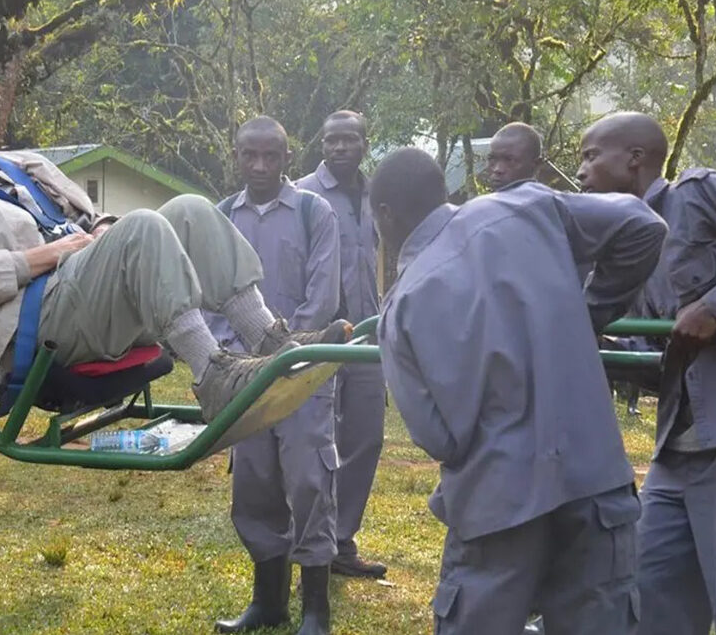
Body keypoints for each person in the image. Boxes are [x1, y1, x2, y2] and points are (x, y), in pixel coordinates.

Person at [0, 54, 348, 426]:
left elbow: (95, 217)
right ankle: (213, 374)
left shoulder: (23, 165)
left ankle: (267, 338)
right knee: (144, 225)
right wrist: (46, 255)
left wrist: (103, 230)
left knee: (190, 209)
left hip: (89, 289)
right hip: (36, 317)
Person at [373, 147, 665, 634]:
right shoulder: (526, 205)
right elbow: (643, 225)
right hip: (595, 487)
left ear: (384, 215)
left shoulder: (401, 306)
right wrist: (587, 310)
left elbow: (438, 438)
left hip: (496, 503)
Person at [577, 112, 716, 634]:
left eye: (592, 157)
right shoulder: (628, 246)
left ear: (635, 158)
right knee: (653, 603)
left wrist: (713, 305)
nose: (583, 172)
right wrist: (604, 346)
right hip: (676, 450)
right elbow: (659, 351)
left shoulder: (697, 195)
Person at [209, 117, 343, 635]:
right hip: (244, 380)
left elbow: (322, 298)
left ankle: (316, 610)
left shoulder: (315, 212)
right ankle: (267, 603)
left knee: (310, 483)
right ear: (237, 156)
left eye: (271, 156)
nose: (260, 166)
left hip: (302, 373)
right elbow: (211, 297)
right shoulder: (221, 217)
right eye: (250, 156)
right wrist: (229, 356)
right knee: (254, 483)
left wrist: (288, 356)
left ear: (289, 156)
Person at [296, 110, 386, 579]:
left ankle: (340, 541)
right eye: (331, 140)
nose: (339, 147)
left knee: (366, 436)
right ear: (321, 145)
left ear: (365, 145)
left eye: (349, 139)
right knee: (316, 440)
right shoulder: (303, 195)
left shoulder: (377, 197)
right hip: (320, 336)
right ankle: (313, 542)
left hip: (368, 333)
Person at [486, 122, 545, 191]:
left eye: (509, 160)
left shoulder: (553, 200)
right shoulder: (483, 201)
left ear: (536, 165)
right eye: (492, 159)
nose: (497, 169)